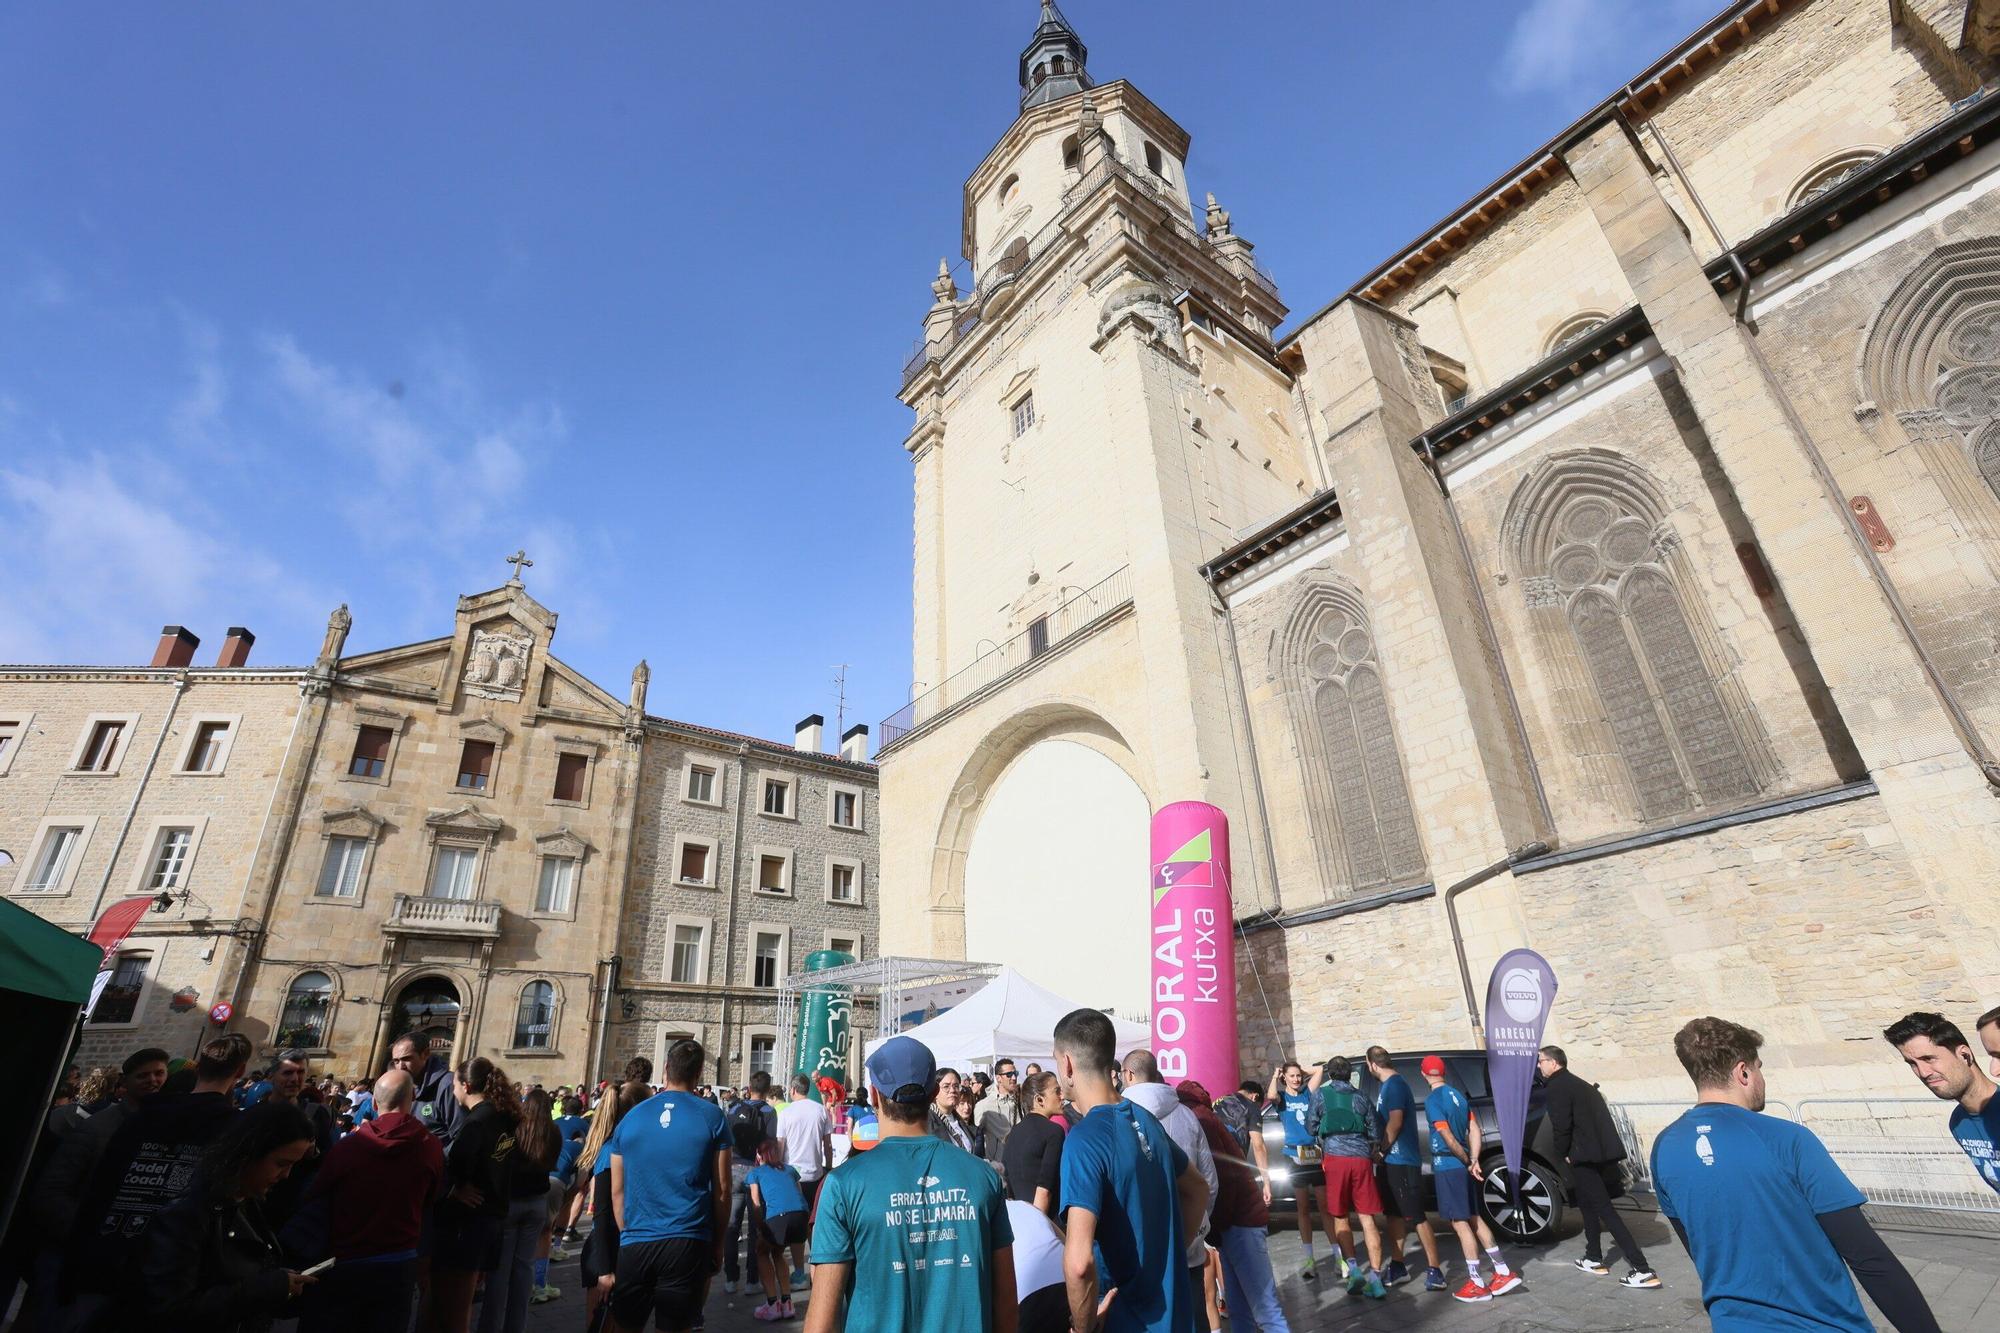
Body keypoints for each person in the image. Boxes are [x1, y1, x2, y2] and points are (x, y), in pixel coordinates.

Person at [1654, 1017, 1941, 1332]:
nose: (1762, 1078)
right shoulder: (1788, 1139)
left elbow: (1701, 1252)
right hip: (1822, 1323)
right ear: (1743, 1072)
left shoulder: (1663, 1147)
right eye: (1759, 1067)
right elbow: (1867, 1257)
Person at [804, 1035, 1015, 1333]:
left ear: (874, 1096)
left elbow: (821, 1321)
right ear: (932, 1095)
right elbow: (1006, 1302)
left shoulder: (842, 1184)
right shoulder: (983, 1177)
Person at [66, 1031, 252, 1326]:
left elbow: (101, 1188)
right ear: (240, 1071)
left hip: (108, 1258)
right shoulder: (234, 1131)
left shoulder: (142, 1116)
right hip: (171, 1273)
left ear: (198, 1068)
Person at [1057, 1010, 1208, 1333]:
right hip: (1175, 1316)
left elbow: (1079, 1262)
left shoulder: (1085, 1140)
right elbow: (1198, 1190)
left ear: (1067, 1063)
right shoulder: (1146, 1119)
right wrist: (1165, 1261)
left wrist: (1083, 1328)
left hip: (1127, 1320)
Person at [130, 1100, 318, 1332]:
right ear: (249, 1153)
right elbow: (171, 1309)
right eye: (281, 1163)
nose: (286, 1175)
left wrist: (280, 1281)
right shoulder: (188, 1214)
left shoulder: (246, 1203)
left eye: (292, 1166)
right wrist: (267, 1288)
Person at [291, 1068, 443, 1333]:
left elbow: (316, 1192)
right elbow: (431, 1199)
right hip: (398, 1263)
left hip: (343, 1262)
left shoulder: (349, 1146)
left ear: (373, 1102)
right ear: (412, 1099)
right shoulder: (430, 1146)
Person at [609, 1038, 733, 1333]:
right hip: (686, 1239)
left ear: (666, 1068)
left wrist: (627, 1231)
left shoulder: (631, 1117)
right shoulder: (712, 1116)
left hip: (636, 1239)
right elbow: (723, 1189)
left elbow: (617, 1189)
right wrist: (717, 1243)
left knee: (627, 1326)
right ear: (699, 1072)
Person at [1537, 1045, 1659, 1288]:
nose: (1539, 1066)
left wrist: (1562, 1155)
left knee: (1604, 1209)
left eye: (1540, 1061)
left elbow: (1562, 1126)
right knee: (1588, 1206)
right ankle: (1594, 1257)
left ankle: (1642, 1268)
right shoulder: (1579, 1084)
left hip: (1582, 1158)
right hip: (1598, 1155)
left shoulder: (1557, 1087)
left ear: (1553, 1062)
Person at [1178, 1080, 1290, 1333]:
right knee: (1240, 1309)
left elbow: (1223, 1175)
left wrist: (1218, 1225)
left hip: (1240, 1221)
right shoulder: (1202, 1115)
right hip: (1235, 1221)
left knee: (1265, 1308)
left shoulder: (1199, 1119)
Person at [1121, 1048, 1220, 1321]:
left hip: (1140, 1249)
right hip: (1188, 1244)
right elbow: (1208, 1182)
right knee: (1194, 1316)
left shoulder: (1117, 1118)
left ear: (1128, 1075)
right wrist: (1196, 1228)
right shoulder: (1187, 1116)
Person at [1419, 1054, 1520, 1303]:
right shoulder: (1458, 1095)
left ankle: (1476, 1282)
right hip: (1463, 1165)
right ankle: (1502, 1271)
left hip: (1448, 1165)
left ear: (1424, 1074)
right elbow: (1473, 1129)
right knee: (1475, 1218)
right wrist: (1474, 1159)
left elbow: (1446, 1135)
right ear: (1443, 1072)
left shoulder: (1433, 1100)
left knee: (1460, 1222)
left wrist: (1465, 1159)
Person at [429, 1057, 521, 1333]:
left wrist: (454, 1188)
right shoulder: (504, 1117)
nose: (453, 1091)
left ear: (466, 1086)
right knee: (465, 1300)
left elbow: (456, 1161)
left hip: (468, 1221)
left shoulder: (476, 1121)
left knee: (453, 1304)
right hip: (493, 1215)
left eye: (455, 1085)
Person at [1883, 1010, 2000, 1195]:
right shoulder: (1958, 1123)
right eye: (1912, 1063)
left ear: (1964, 1055)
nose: (1923, 1072)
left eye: (1928, 1059)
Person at [478, 1086, 561, 1333]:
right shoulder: (553, 1132)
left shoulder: (514, 1130)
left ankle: (490, 1326)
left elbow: (498, 1159)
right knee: (524, 1267)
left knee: (500, 1270)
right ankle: (516, 1326)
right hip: (537, 1203)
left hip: (511, 1202)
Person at [1362, 1047, 1443, 1291]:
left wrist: (1381, 1150)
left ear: (1373, 1065)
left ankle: (1435, 1269)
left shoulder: (1395, 1085)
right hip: (1391, 1163)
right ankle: (1398, 1266)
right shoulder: (1386, 1087)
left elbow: (1395, 1122)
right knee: (1394, 1215)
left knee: (1416, 1215)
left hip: (1403, 1160)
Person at [1307, 1057, 1387, 1299]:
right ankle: (1375, 1276)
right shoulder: (1361, 1096)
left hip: (1335, 1159)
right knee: (1367, 1218)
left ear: (1330, 1074)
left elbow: (1310, 1127)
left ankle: (1353, 1271)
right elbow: (1374, 1130)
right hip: (1361, 1159)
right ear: (1350, 1074)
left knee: (1340, 1215)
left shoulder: (1320, 1096)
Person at [577, 1081, 649, 1332]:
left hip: (623, 1250)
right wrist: (604, 1269)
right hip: (607, 1252)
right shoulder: (611, 1151)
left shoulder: (627, 1148)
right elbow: (602, 1213)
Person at [1264, 1061, 1327, 1279]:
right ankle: (1309, 1258)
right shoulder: (1282, 1099)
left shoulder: (1307, 1094)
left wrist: (1301, 1071)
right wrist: (1277, 1075)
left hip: (1314, 1154)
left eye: (1298, 1076)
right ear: (1284, 1078)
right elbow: (1271, 1096)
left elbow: (1319, 1071)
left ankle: (1339, 1256)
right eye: (1292, 1076)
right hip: (1294, 1156)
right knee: (1303, 1209)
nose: (1296, 1079)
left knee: (1324, 1207)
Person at [263, 1050, 334, 1235]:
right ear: (271, 1076)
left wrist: (314, 1152)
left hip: (294, 1209)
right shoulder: (255, 1114)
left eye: (301, 1072)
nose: (295, 1078)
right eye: (288, 1073)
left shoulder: (316, 1114)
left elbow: (328, 1160)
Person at [722, 1071, 779, 1296]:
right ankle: (752, 1280)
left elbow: (726, 1141)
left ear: (749, 1086)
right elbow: (770, 1145)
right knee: (756, 1228)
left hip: (735, 1168)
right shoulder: (768, 1112)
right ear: (768, 1089)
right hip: (758, 1171)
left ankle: (730, 1278)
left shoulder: (734, 1108)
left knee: (732, 1225)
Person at [775, 1073, 833, 1285]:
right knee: (814, 1225)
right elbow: (827, 1144)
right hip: (816, 1174)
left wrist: (778, 1168)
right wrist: (829, 1166)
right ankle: (818, 1270)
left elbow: (780, 1145)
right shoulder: (820, 1110)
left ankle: (800, 1272)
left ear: (792, 1090)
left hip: (793, 1176)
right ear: (808, 1089)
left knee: (798, 1226)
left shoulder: (787, 1113)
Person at [745, 1137, 808, 1321]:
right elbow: (799, 1195)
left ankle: (772, 1304)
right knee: (778, 1253)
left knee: (762, 1251)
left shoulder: (755, 1173)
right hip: (800, 1215)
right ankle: (787, 1303)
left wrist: (760, 1228)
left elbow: (756, 1204)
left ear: (759, 1155)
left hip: (778, 1217)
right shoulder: (790, 1170)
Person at [1003, 1071, 1068, 1217]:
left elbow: (1009, 1185)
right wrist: (1038, 1226)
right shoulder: (1053, 1131)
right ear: (1039, 1100)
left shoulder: (1013, 1133)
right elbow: (1045, 1187)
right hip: (1044, 1220)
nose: (1062, 1096)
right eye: (1056, 1091)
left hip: (1018, 1219)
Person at [1006, 1198, 1069, 1333]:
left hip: (1028, 1296)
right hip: (1067, 1283)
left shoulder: (987, 1216)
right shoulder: (1027, 1206)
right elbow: (1065, 1242)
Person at [390, 1032, 462, 1144]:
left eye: (407, 1059)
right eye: (396, 1061)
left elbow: (461, 1137)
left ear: (425, 1054)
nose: (401, 1066)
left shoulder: (448, 1085)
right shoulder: (405, 1084)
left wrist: (435, 1158)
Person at [978, 1059, 1025, 1167]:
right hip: (998, 1168)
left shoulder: (1021, 1101)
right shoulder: (984, 1105)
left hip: (1019, 1164)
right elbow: (974, 1137)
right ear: (998, 1078)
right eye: (1009, 1074)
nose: (1014, 1078)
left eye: (1015, 1073)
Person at [929, 1067, 975, 1152]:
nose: (952, 1090)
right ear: (935, 1091)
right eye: (946, 1086)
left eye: (956, 1086)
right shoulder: (928, 1121)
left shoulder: (959, 1121)